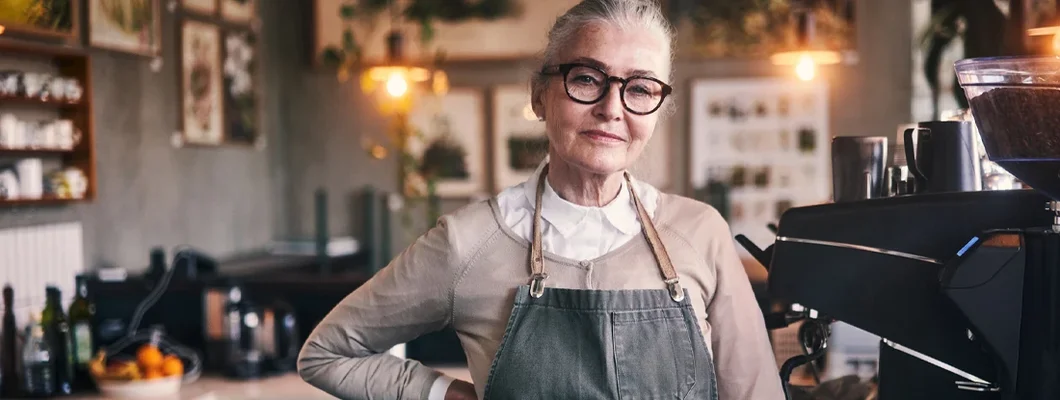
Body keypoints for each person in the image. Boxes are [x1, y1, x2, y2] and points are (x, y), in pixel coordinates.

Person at [297, 0, 785, 399]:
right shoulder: (468, 243)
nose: (612, 109)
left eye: (640, 88)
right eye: (587, 79)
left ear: (657, 107)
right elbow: (326, 353)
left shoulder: (700, 232)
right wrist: (446, 396)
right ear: (539, 96)